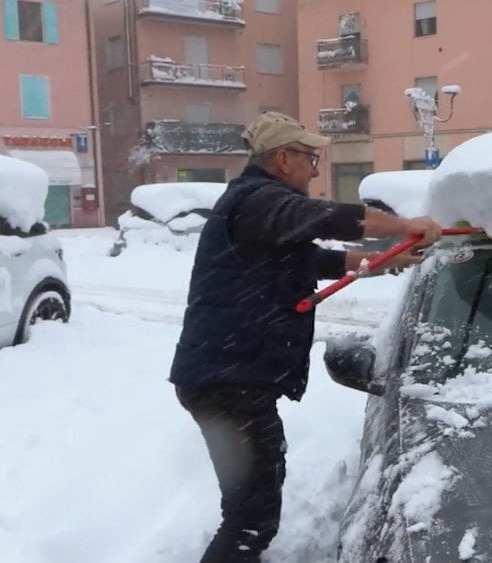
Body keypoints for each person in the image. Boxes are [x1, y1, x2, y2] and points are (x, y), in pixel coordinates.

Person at [169, 111, 443, 562]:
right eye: (310, 158)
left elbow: (310, 261)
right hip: (229, 383)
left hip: (228, 378)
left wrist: (386, 259)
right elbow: (325, 218)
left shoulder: (259, 209)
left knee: (250, 506)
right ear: (283, 158)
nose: (314, 169)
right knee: (250, 520)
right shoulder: (258, 201)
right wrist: (401, 225)